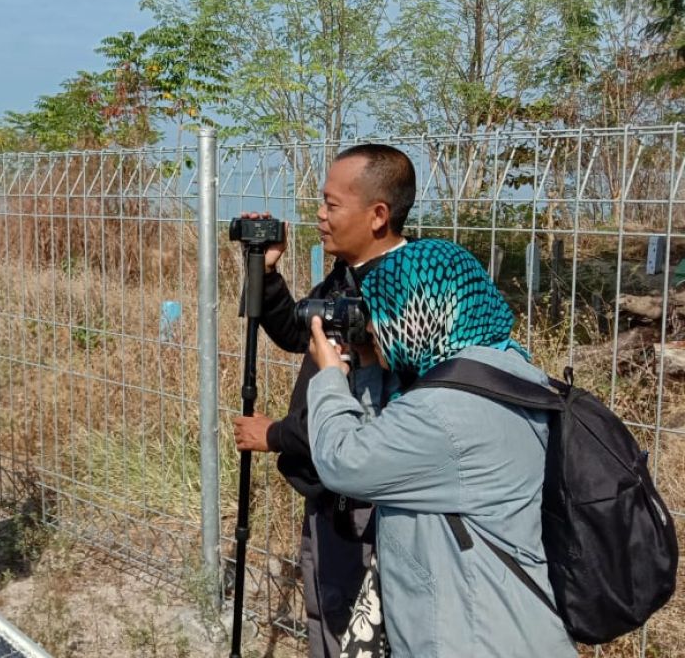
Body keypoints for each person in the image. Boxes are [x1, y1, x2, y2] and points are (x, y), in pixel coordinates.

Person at [305, 238, 576, 657]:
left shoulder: (445, 412)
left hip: (473, 637)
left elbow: (344, 462)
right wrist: (374, 366)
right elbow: (393, 439)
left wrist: (328, 378)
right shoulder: (503, 370)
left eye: (383, 314)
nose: (373, 328)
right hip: (504, 621)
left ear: (418, 317)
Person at [232, 143, 415, 657]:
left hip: (361, 503)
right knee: (329, 607)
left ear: (377, 215)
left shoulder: (398, 293)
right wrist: (265, 274)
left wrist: (274, 434)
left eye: (332, 204)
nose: (319, 213)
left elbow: (362, 416)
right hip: (331, 488)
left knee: (346, 619)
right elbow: (299, 332)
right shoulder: (350, 274)